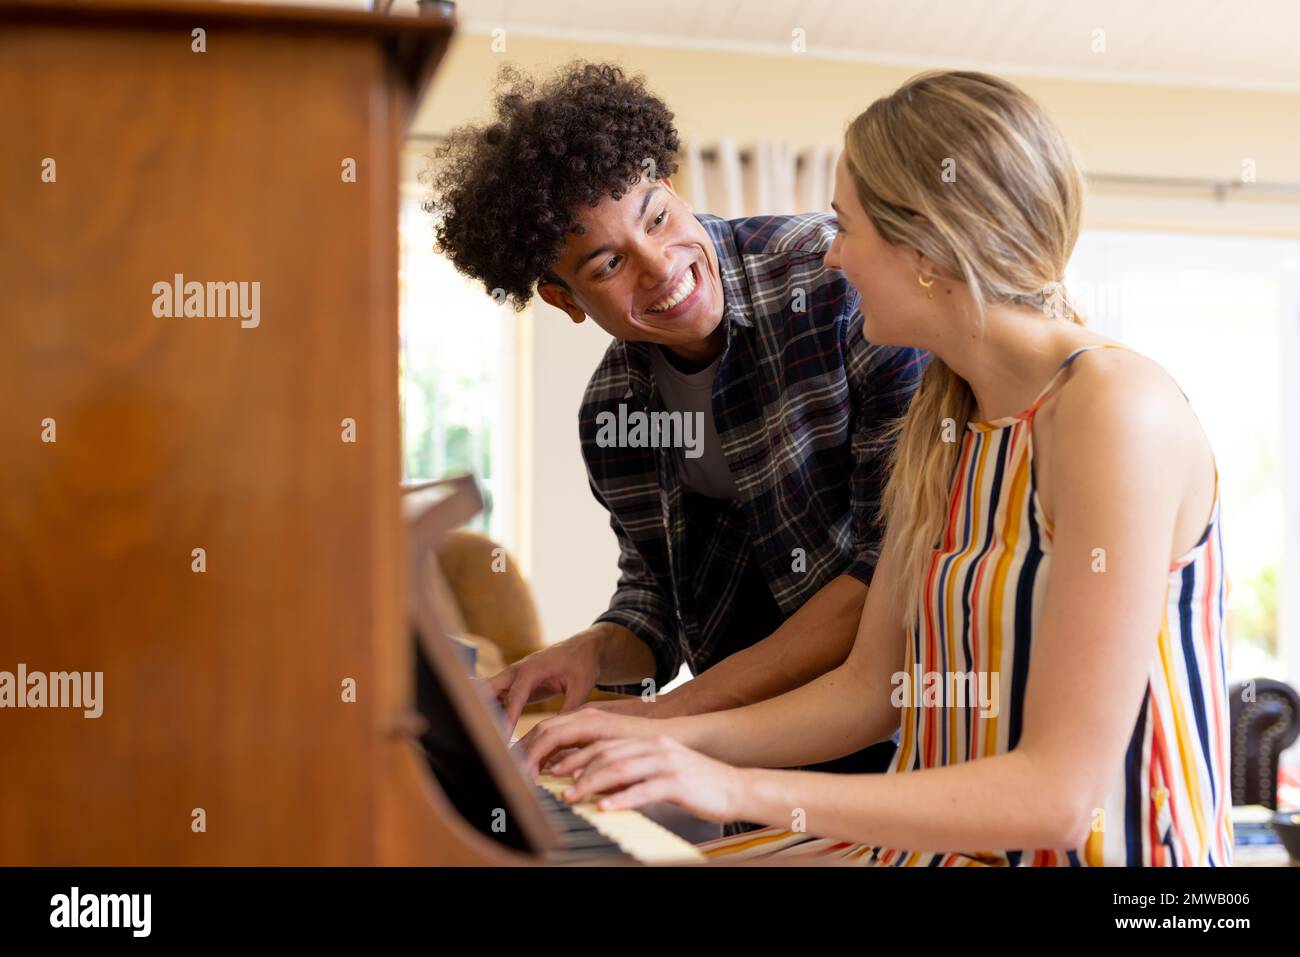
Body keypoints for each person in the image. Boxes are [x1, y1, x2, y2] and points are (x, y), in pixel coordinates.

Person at [518, 69, 1232, 867]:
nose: (830, 256)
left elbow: (1057, 801)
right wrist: (659, 740)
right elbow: (869, 690)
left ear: (927, 248)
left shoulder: (1113, 408)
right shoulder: (944, 414)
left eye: (845, 227)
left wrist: (724, 783)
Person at [427, 61, 924, 803]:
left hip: (902, 739)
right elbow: (656, 603)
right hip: (748, 753)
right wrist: (588, 651)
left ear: (674, 184)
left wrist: (671, 714)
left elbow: (887, 574)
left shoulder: (837, 288)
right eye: (608, 262)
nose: (660, 268)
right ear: (563, 298)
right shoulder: (612, 414)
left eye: (657, 217)